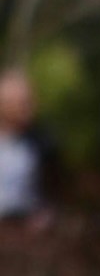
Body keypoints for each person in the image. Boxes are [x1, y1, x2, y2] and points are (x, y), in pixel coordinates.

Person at [0, 66, 56, 225]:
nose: (29, 108)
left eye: (30, 101)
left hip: (29, 233)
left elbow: (54, 195)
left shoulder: (44, 144)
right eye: (22, 103)